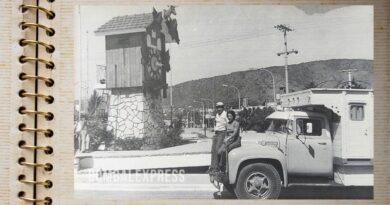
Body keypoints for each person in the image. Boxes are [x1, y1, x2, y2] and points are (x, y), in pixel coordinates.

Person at [210, 102, 228, 173]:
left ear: (223, 107)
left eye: (220, 107)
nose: (219, 109)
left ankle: (217, 168)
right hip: (216, 133)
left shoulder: (225, 114)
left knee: (218, 150)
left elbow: (228, 123)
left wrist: (227, 134)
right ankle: (212, 167)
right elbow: (216, 123)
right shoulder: (217, 115)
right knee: (213, 150)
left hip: (222, 133)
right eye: (217, 107)